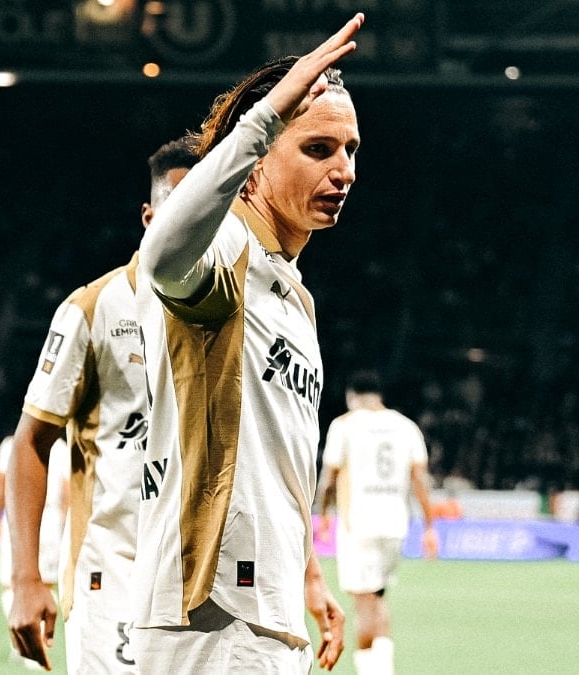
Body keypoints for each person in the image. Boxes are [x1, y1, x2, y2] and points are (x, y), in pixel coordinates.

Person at [132, 13, 366, 674]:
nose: (344, 170)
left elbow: (271, 460)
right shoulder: (225, 248)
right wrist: (261, 119)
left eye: (351, 149)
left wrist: (308, 573)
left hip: (267, 610)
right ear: (257, 160)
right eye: (318, 148)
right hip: (210, 614)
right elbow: (160, 256)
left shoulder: (294, 292)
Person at [6, 137, 199, 673]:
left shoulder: (233, 314)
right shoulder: (95, 308)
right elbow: (31, 441)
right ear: (148, 217)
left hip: (207, 581)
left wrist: (307, 573)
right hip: (115, 576)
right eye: (177, 210)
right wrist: (27, 579)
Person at [318, 370, 438, 675]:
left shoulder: (344, 425)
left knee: (363, 603)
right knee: (378, 596)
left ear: (352, 395)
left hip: (358, 523)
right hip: (396, 523)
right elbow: (420, 480)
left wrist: (323, 516)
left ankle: (370, 670)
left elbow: (329, 479)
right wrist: (429, 527)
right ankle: (384, 668)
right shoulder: (406, 426)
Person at [0, 433, 69, 670]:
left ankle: (24, 643)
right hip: (51, 518)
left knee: (11, 584)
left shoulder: (10, 445)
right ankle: (40, 641)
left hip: (19, 518)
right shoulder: (60, 447)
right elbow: (68, 493)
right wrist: (64, 526)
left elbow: (0, 488)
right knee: (46, 584)